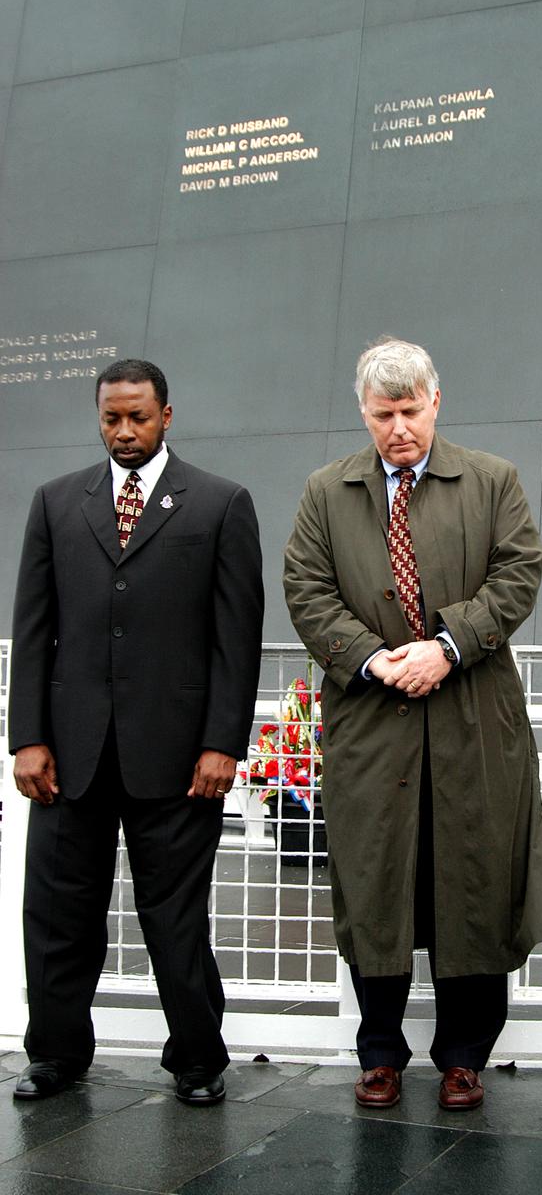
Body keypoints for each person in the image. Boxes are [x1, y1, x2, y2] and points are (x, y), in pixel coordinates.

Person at [284, 337, 542, 1111]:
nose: (398, 427)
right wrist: (374, 660)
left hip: (473, 715)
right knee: (376, 879)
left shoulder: (492, 480)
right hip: (372, 722)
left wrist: (447, 647)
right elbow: (306, 590)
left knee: (475, 874)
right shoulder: (325, 492)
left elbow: (517, 572)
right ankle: (380, 1053)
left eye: (411, 410)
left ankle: (466, 1055)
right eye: (383, 413)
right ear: (363, 413)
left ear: (436, 402)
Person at [9, 358, 264, 1106]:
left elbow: (235, 639)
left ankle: (196, 1060)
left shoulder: (220, 504)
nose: (124, 431)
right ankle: (55, 1056)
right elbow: (33, 630)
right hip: (67, 757)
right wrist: (28, 736)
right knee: (57, 918)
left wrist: (224, 743)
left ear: (166, 416)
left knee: (175, 920)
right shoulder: (57, 503)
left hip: (181, 759)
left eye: (138, 417)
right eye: (111, 417)